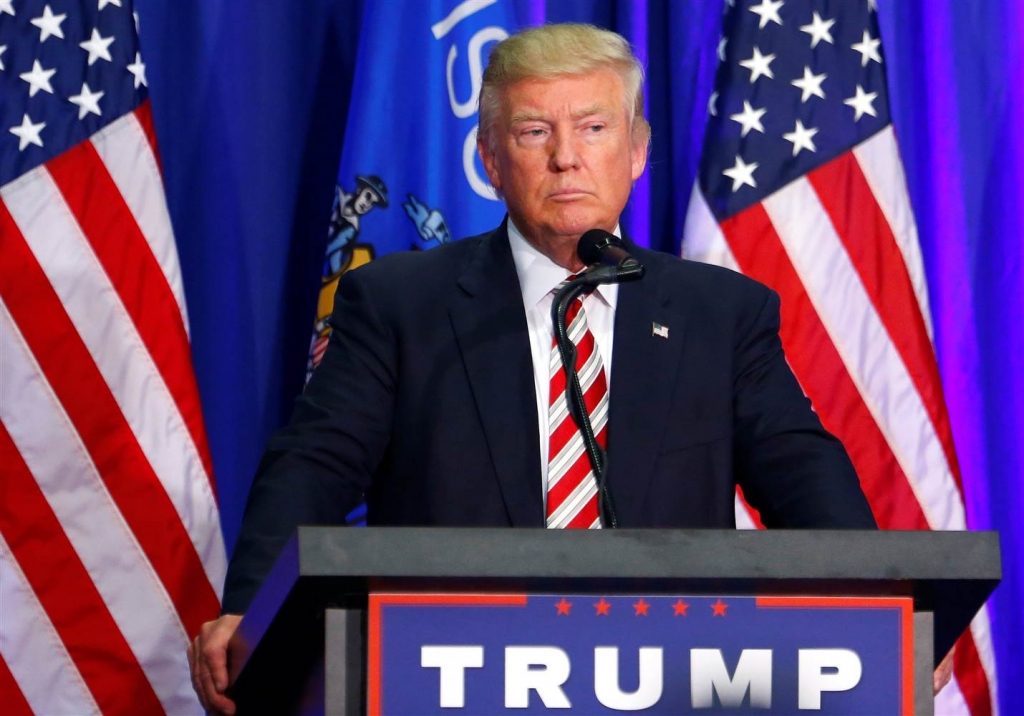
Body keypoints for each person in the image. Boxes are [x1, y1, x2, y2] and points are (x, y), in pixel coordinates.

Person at [188, 23, 881, 714]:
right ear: (491, 160)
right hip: (451, 676)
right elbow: (312, 467)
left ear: (637, 152)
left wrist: (880, 611)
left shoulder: (720, 314)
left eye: (594, 128)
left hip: (671, 676)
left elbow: (801, 471)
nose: (566, 160)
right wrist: (251, 613)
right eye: (533, 133)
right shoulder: (402, 305)